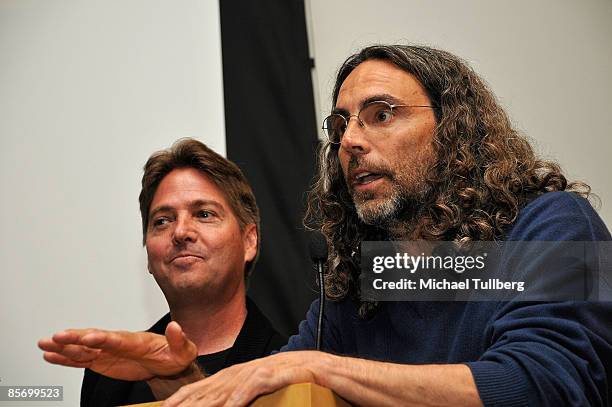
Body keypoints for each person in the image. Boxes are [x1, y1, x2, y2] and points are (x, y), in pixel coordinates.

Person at [41, 45, 612, 406]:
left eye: (381, 114)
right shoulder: (369, 278)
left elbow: (547, 385)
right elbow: (279, 399)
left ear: (455, 130)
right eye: (341, 125)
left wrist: (318, 364)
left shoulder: (550, 223)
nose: (351, 142)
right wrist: (178, 378)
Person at [38, 139, 286, 406]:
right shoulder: (108, 378)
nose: (180, 232)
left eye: (203, 214)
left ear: (249, 241)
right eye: (162, 221)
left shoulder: (288, 364)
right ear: (147, 253)